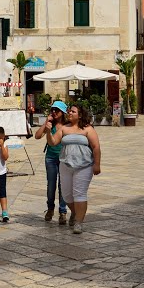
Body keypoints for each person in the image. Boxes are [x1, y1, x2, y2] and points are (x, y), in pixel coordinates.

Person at [43, 104, 101, 234]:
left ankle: (78, 222)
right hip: (65, 165)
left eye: (73, 111)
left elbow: (96, 147)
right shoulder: (64, 128)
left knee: (79, 193)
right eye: (69, 111)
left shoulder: (88, 129)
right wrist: (48, 131)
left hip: (84, 166)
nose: (69, 113)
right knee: (67, 195)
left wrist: (97, 164)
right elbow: (52, 142)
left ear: (80, 115)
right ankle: (76, 213)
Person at [34, 100, 69, 225]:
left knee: (63, 185)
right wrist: (46, 124)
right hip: (51, 158)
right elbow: (37, 136)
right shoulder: (50, 125)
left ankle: (63, 211)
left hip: (64, 158)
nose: (54, 112)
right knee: (51, 185)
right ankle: (50, 208)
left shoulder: (67, 126)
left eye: (57, 110)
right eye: (52, 110)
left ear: (63, 112)